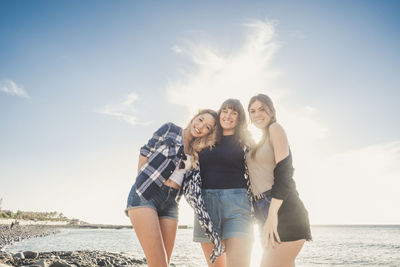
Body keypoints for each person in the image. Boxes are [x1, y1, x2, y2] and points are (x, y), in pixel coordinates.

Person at [125, 109, 218, 267]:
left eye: (208, 127)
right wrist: (142, 182)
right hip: (146, 195)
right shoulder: (170, 129)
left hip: (171, 204)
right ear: (194, 117)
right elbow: (145, 151)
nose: (201, 126)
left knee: (164, 264)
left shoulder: (198, 152)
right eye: (201, 120)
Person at [246, 94, 312, 267]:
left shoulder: (275, 128)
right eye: (252, 111)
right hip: (261, 210)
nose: (257, 114)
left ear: (271, 110)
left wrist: (272, 214)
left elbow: (284, 172)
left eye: (262, 109)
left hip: (283, 210)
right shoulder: (257, 142)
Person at [187, 99, 254, 267]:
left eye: (234, 113)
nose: (228, 116)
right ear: (219, 114)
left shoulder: (246, 142)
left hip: (237, 204)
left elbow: (261, 167)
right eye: (225, 111)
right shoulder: (204, 138)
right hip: (206, 205)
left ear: (239, 118)